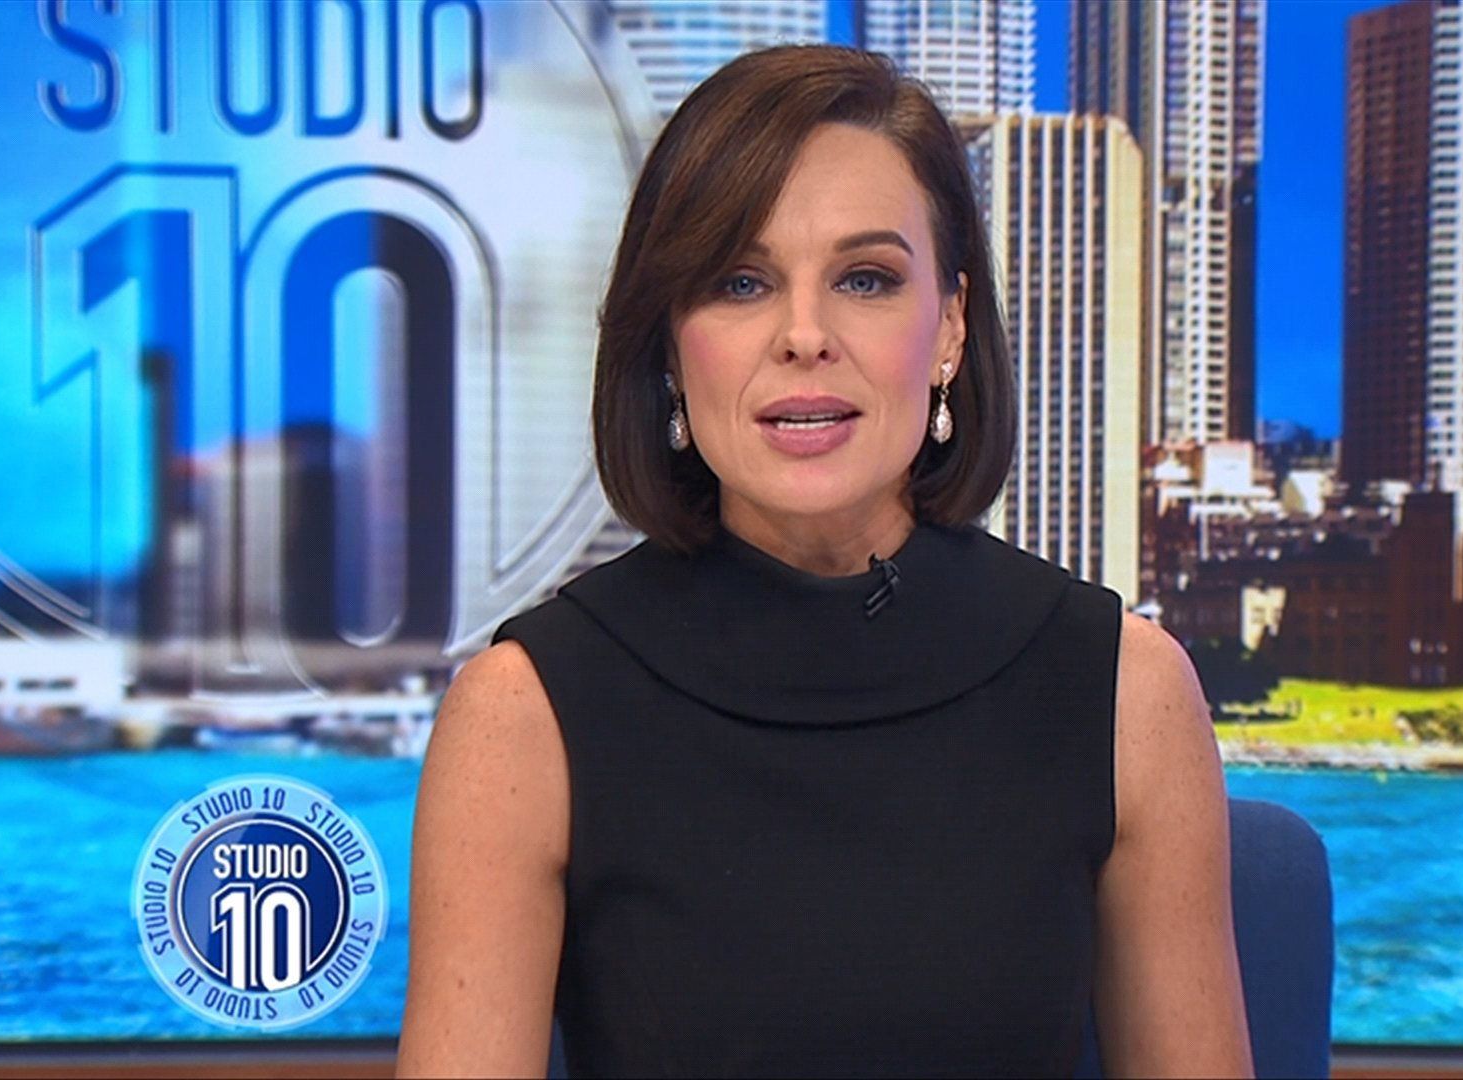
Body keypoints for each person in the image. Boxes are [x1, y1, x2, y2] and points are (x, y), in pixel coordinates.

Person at [396, 44, 1253, 1079]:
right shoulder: (522, 714)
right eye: (741, 281)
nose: (804, 335)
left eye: (865, 279)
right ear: (670, 344)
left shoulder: (1127, 693)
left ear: (950, 329)